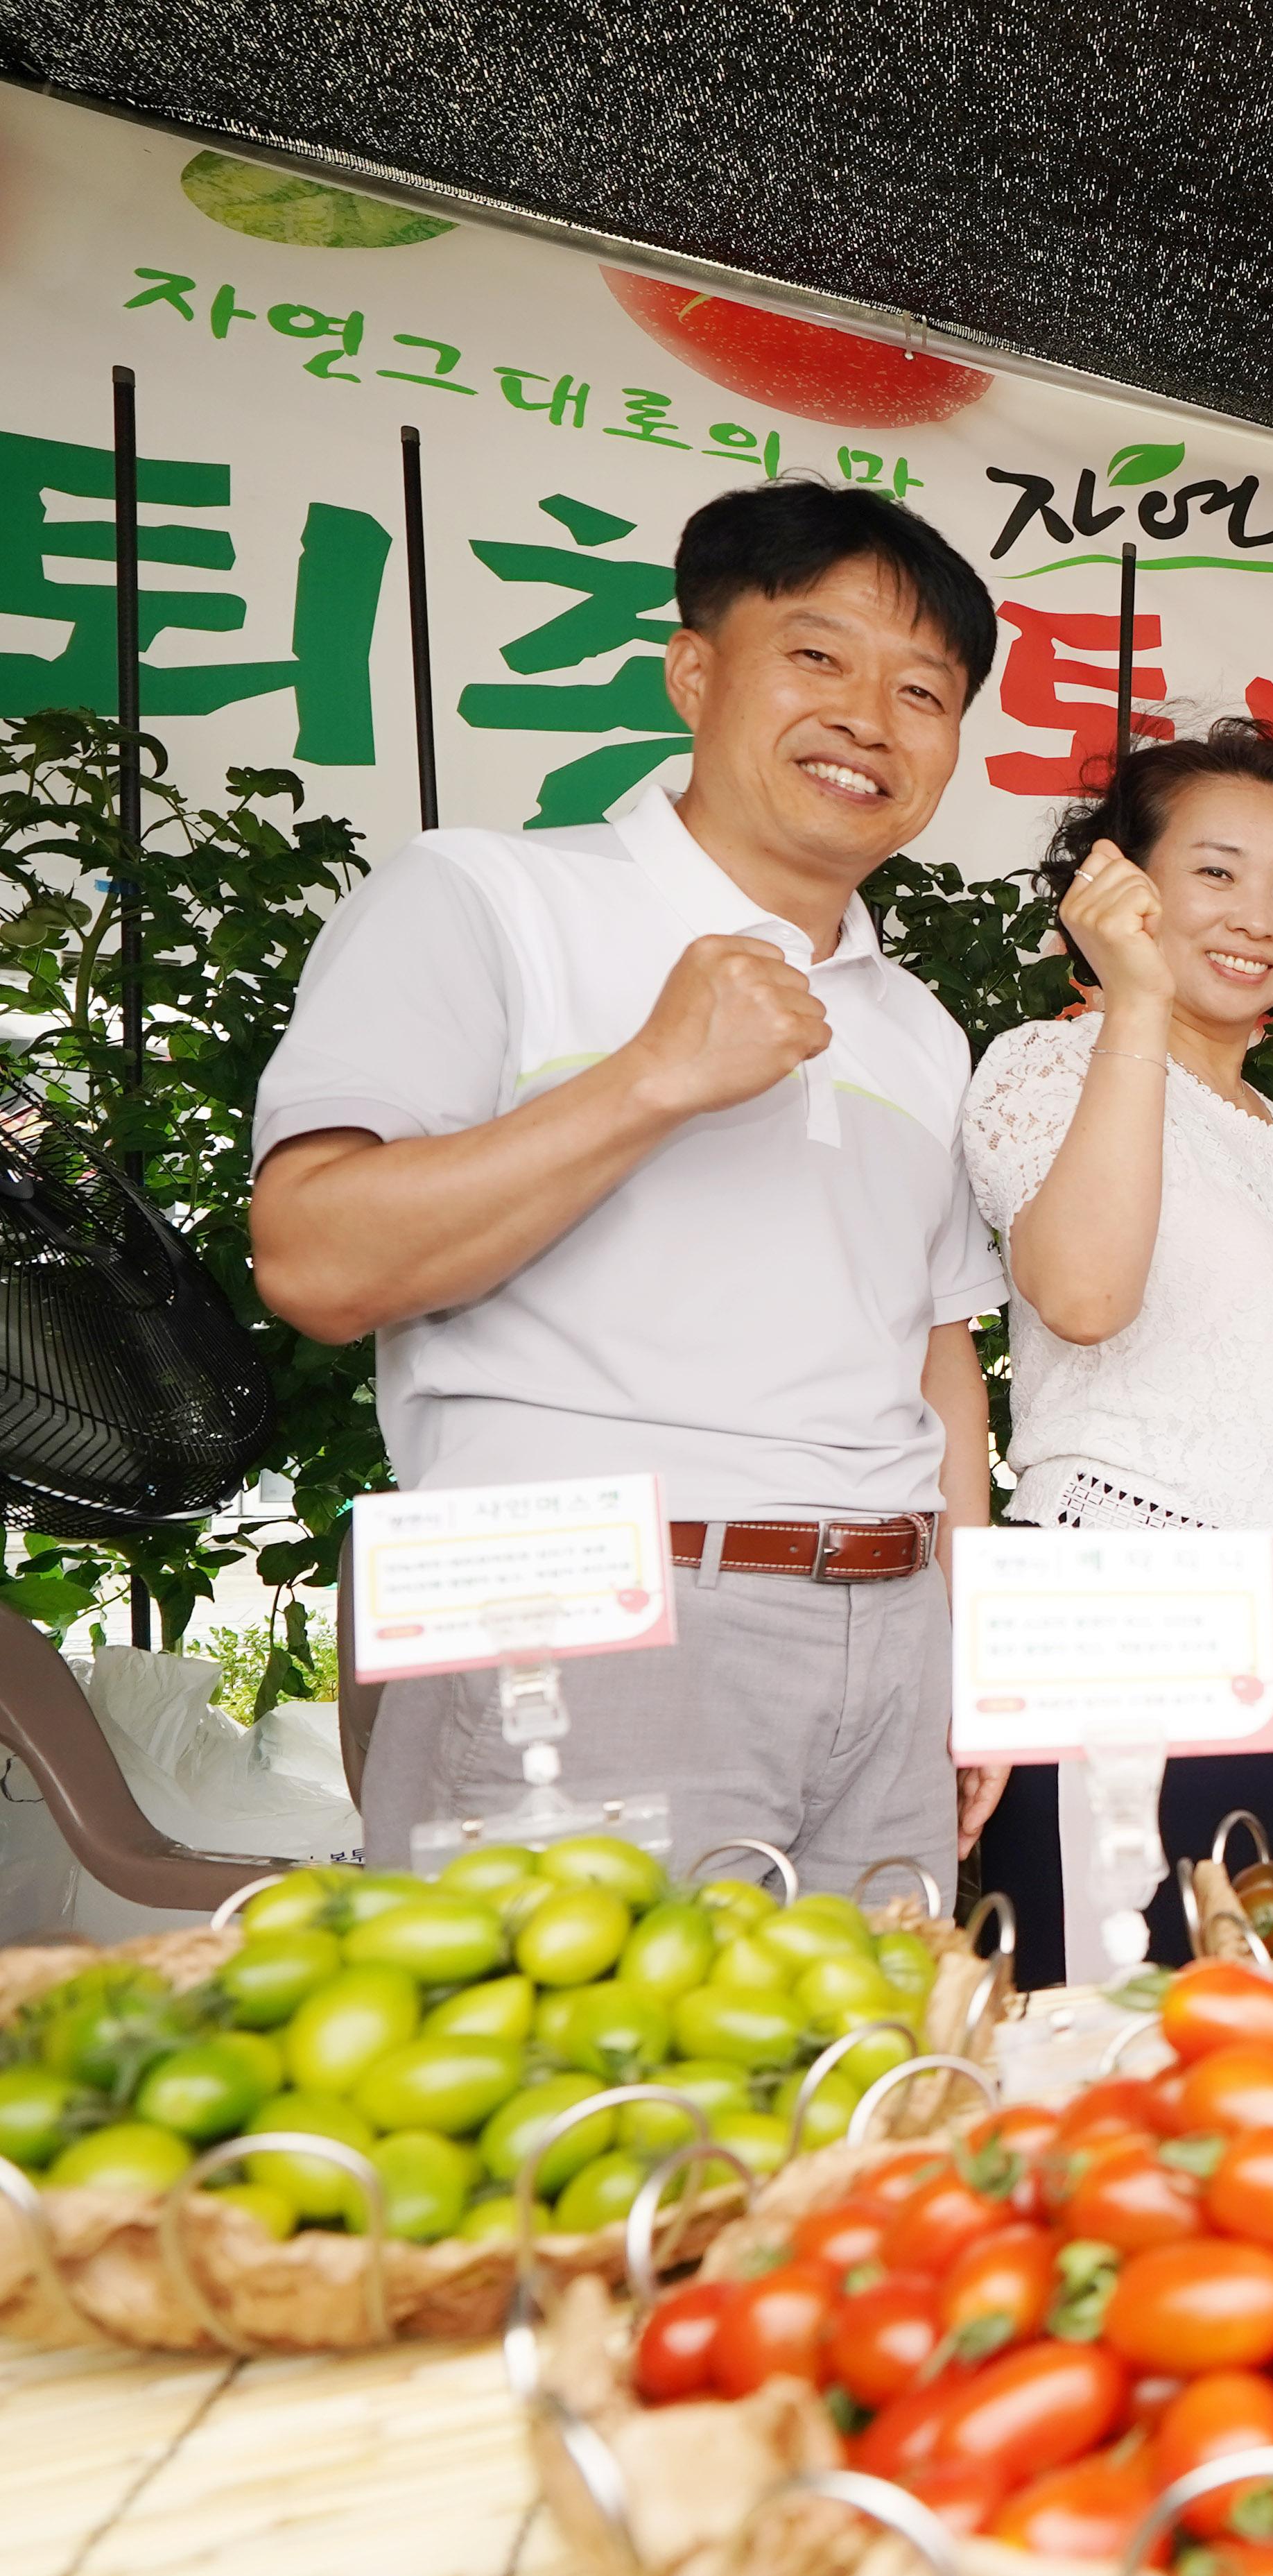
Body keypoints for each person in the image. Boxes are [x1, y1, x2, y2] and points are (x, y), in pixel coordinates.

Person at [251, 481, 1007, 1891]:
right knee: (577, 2096)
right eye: (818, 655)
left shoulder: (919, 1026)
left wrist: (968, 1645)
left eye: (925, 691)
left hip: (890, 1636)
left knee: (863, 2089)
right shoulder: (488, 896)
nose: (869, 718)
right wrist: (652, 1074)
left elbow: (939, 1353)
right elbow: (314, 1260)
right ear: (693, 669)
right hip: (582, 1608)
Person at [960, 722, 1273, 1984]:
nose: (1255, 914)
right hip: (1118, 1601)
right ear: (1122, 882)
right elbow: (1084, 1294)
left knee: (1248, 2007)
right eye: (1214, 871)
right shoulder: (1050, 1063)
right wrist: (1135, 1004)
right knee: (1111, 2008)